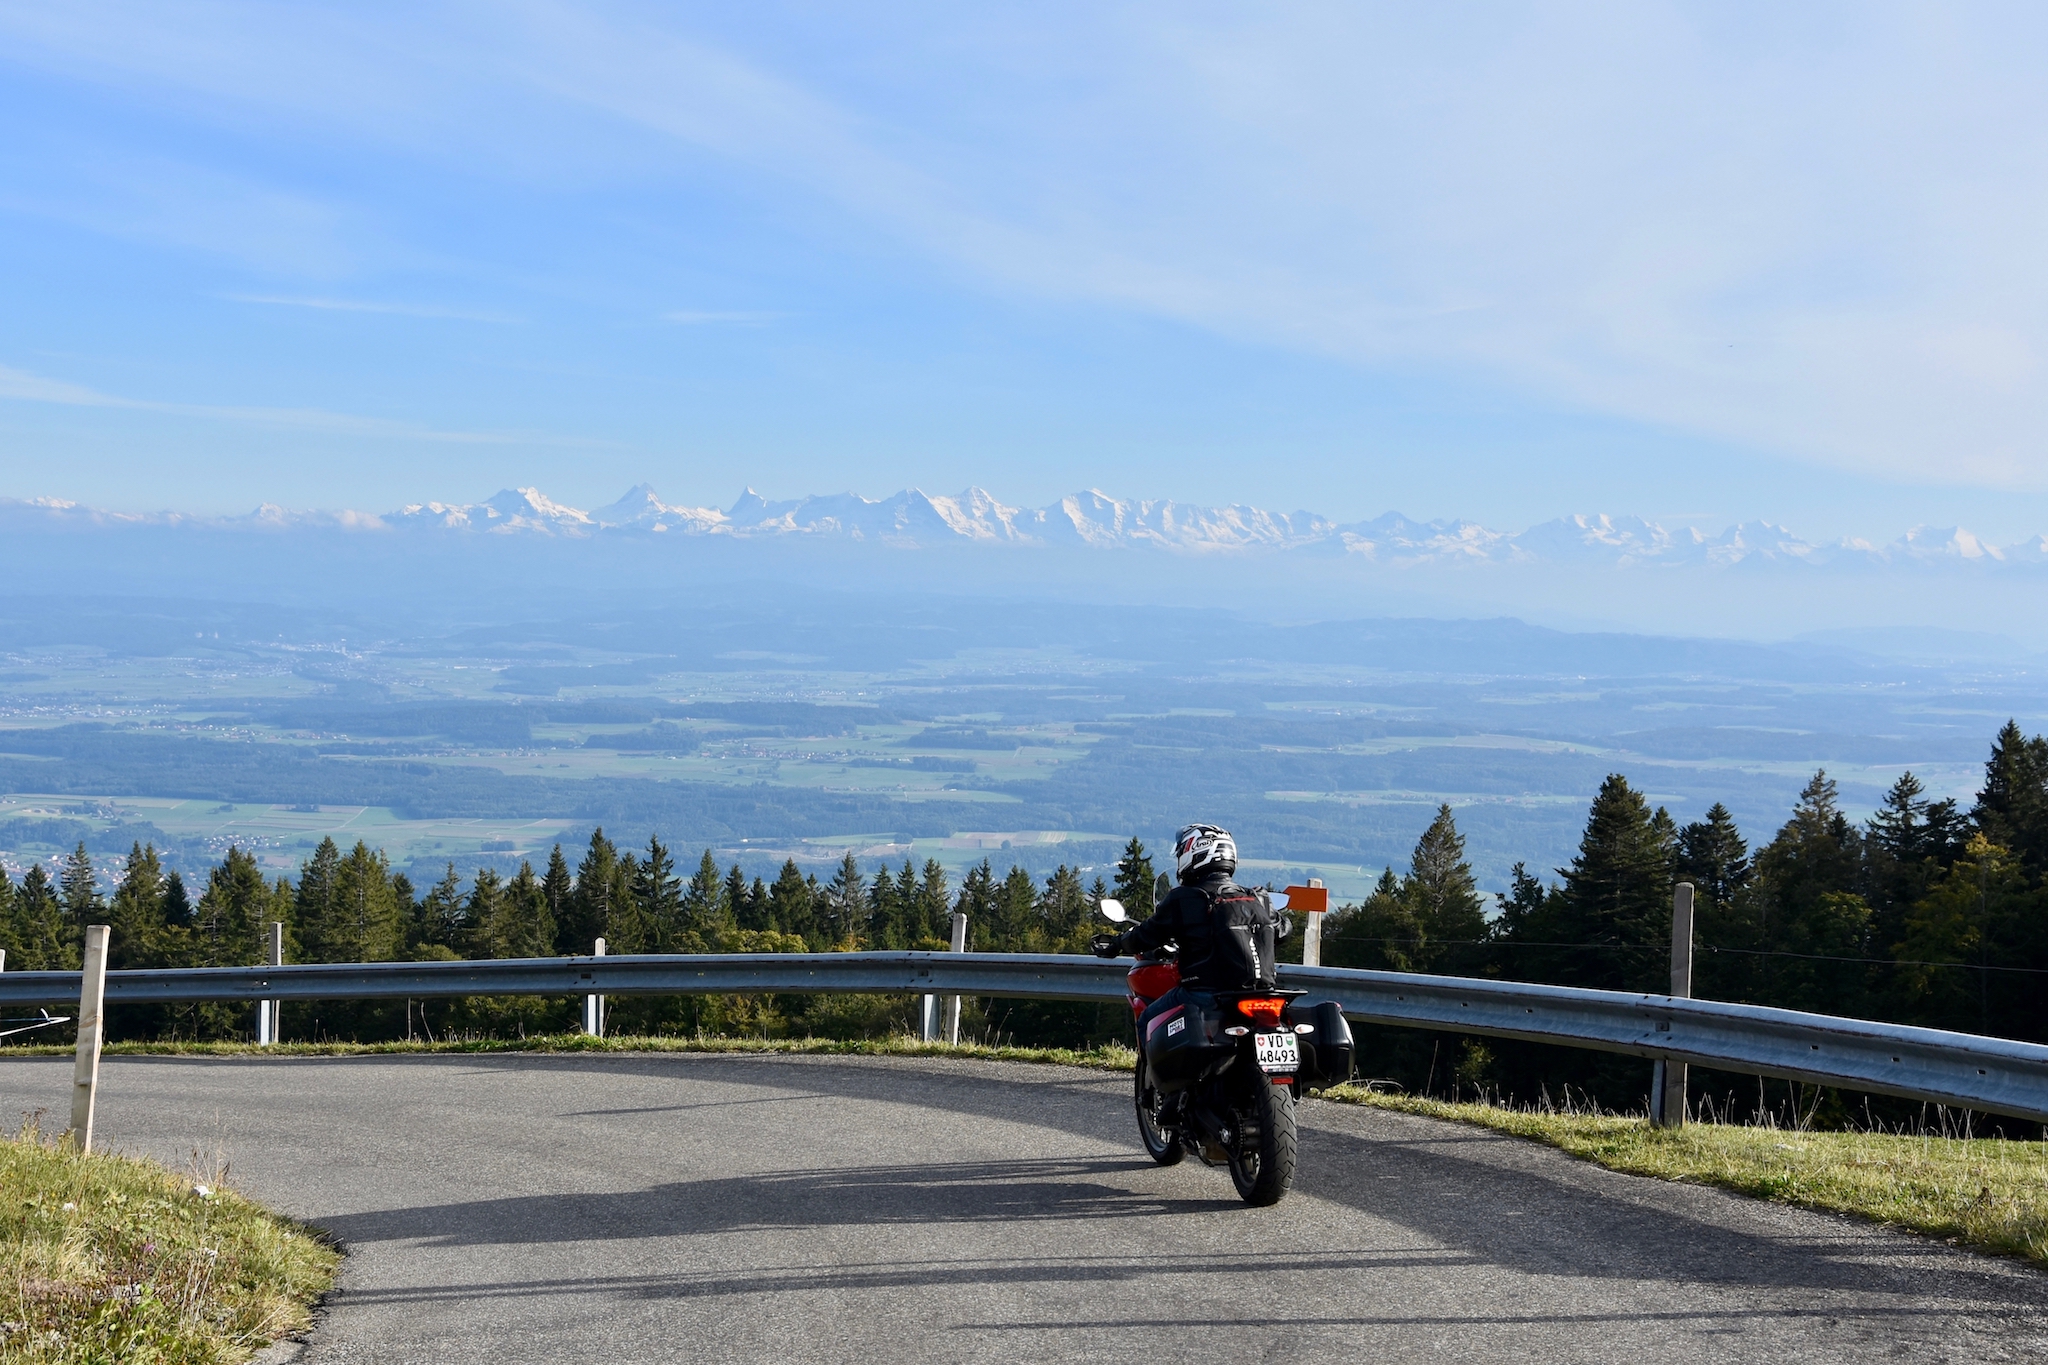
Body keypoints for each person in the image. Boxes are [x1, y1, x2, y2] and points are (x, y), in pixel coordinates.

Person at [1094, 823, 1286, 989]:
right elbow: (1284, 931)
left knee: (1150, 1016)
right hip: (1262, 990)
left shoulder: (1185, 898)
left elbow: (1148, 934)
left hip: (1207, 991)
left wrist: (1118, 943)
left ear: (1195, 853)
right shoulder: (1256, 897)